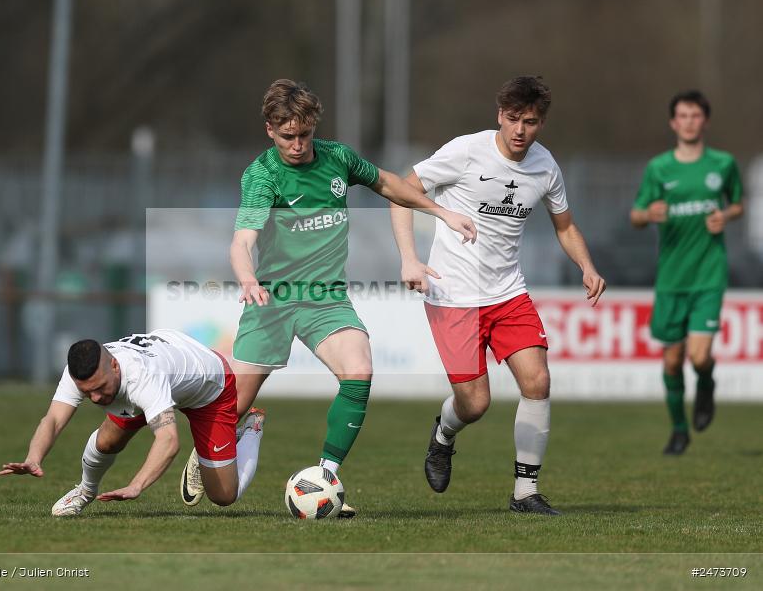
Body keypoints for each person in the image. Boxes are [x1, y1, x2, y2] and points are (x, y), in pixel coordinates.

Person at [179, 78, 477, 518]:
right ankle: (210, 444)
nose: (297, 145)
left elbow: (390, 184)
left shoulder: (338, 158)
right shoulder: (262, 175)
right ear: (269, 130)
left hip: (325, 298)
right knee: (232, 407)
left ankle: (326, 476)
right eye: (287, 136)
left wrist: (441, 211)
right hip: (273, 301)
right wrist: (247, 279)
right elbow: (242, 241)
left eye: (304, 134)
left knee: (359, 369)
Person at [390, 76, 606, 516]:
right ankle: (443, 436)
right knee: (476, 403)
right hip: (452, 297)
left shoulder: (545, 167)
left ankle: (526, 493)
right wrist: (409, 259)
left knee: (538, 381)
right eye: (512, 119)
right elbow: (400, 192)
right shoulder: (466, 151)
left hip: (508, 294)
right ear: (499, 116)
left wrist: (586, 265)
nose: (520, 130)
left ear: (541, 122)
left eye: (530, 121)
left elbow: (564, 226)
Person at [0, 329, 265, 516]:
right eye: (87, 392)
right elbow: (54, 419)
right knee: (108, 440)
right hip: (160, 373)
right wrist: (34, 457)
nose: (96, 398)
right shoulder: (81, 372)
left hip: (209, 385)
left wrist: (136, 485)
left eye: (100, 388)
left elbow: (169, 441)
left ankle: (251, 427)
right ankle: (84, 491)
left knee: (223, 496)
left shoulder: (142, 378)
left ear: (114, 367)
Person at [630, 90, 743, 456]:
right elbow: (635, 215)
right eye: (683, 115)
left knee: (697, 356)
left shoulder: (723, 164)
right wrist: (649, 215)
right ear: (673, 122)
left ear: (704, 121)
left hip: (709, 273)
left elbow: (738, 203)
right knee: (673, 359)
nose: (689, 121)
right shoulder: (659, 168)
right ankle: (679, 430)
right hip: (671, 277)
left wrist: (725, 215)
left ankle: (707, 384)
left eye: (696, 115)